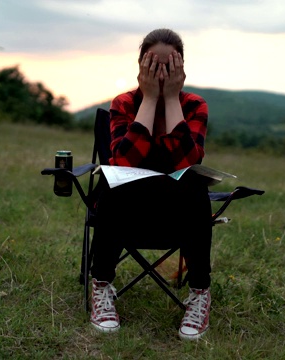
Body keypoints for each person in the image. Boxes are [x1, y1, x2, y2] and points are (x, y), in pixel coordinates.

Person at [88, 28, 213, 340]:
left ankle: (199, 293)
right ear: (140, 65)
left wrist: (171, 98)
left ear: (181, 69)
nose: (160, 73)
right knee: (112, 181)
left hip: (177, 212)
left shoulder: (194, 105)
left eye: (168, 66)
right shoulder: (125, 103)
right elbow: (125, 159)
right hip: (126, 211)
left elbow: (186, 160)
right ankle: (101, 285)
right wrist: (150, 98)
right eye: (153, 65)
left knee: (196, 185)